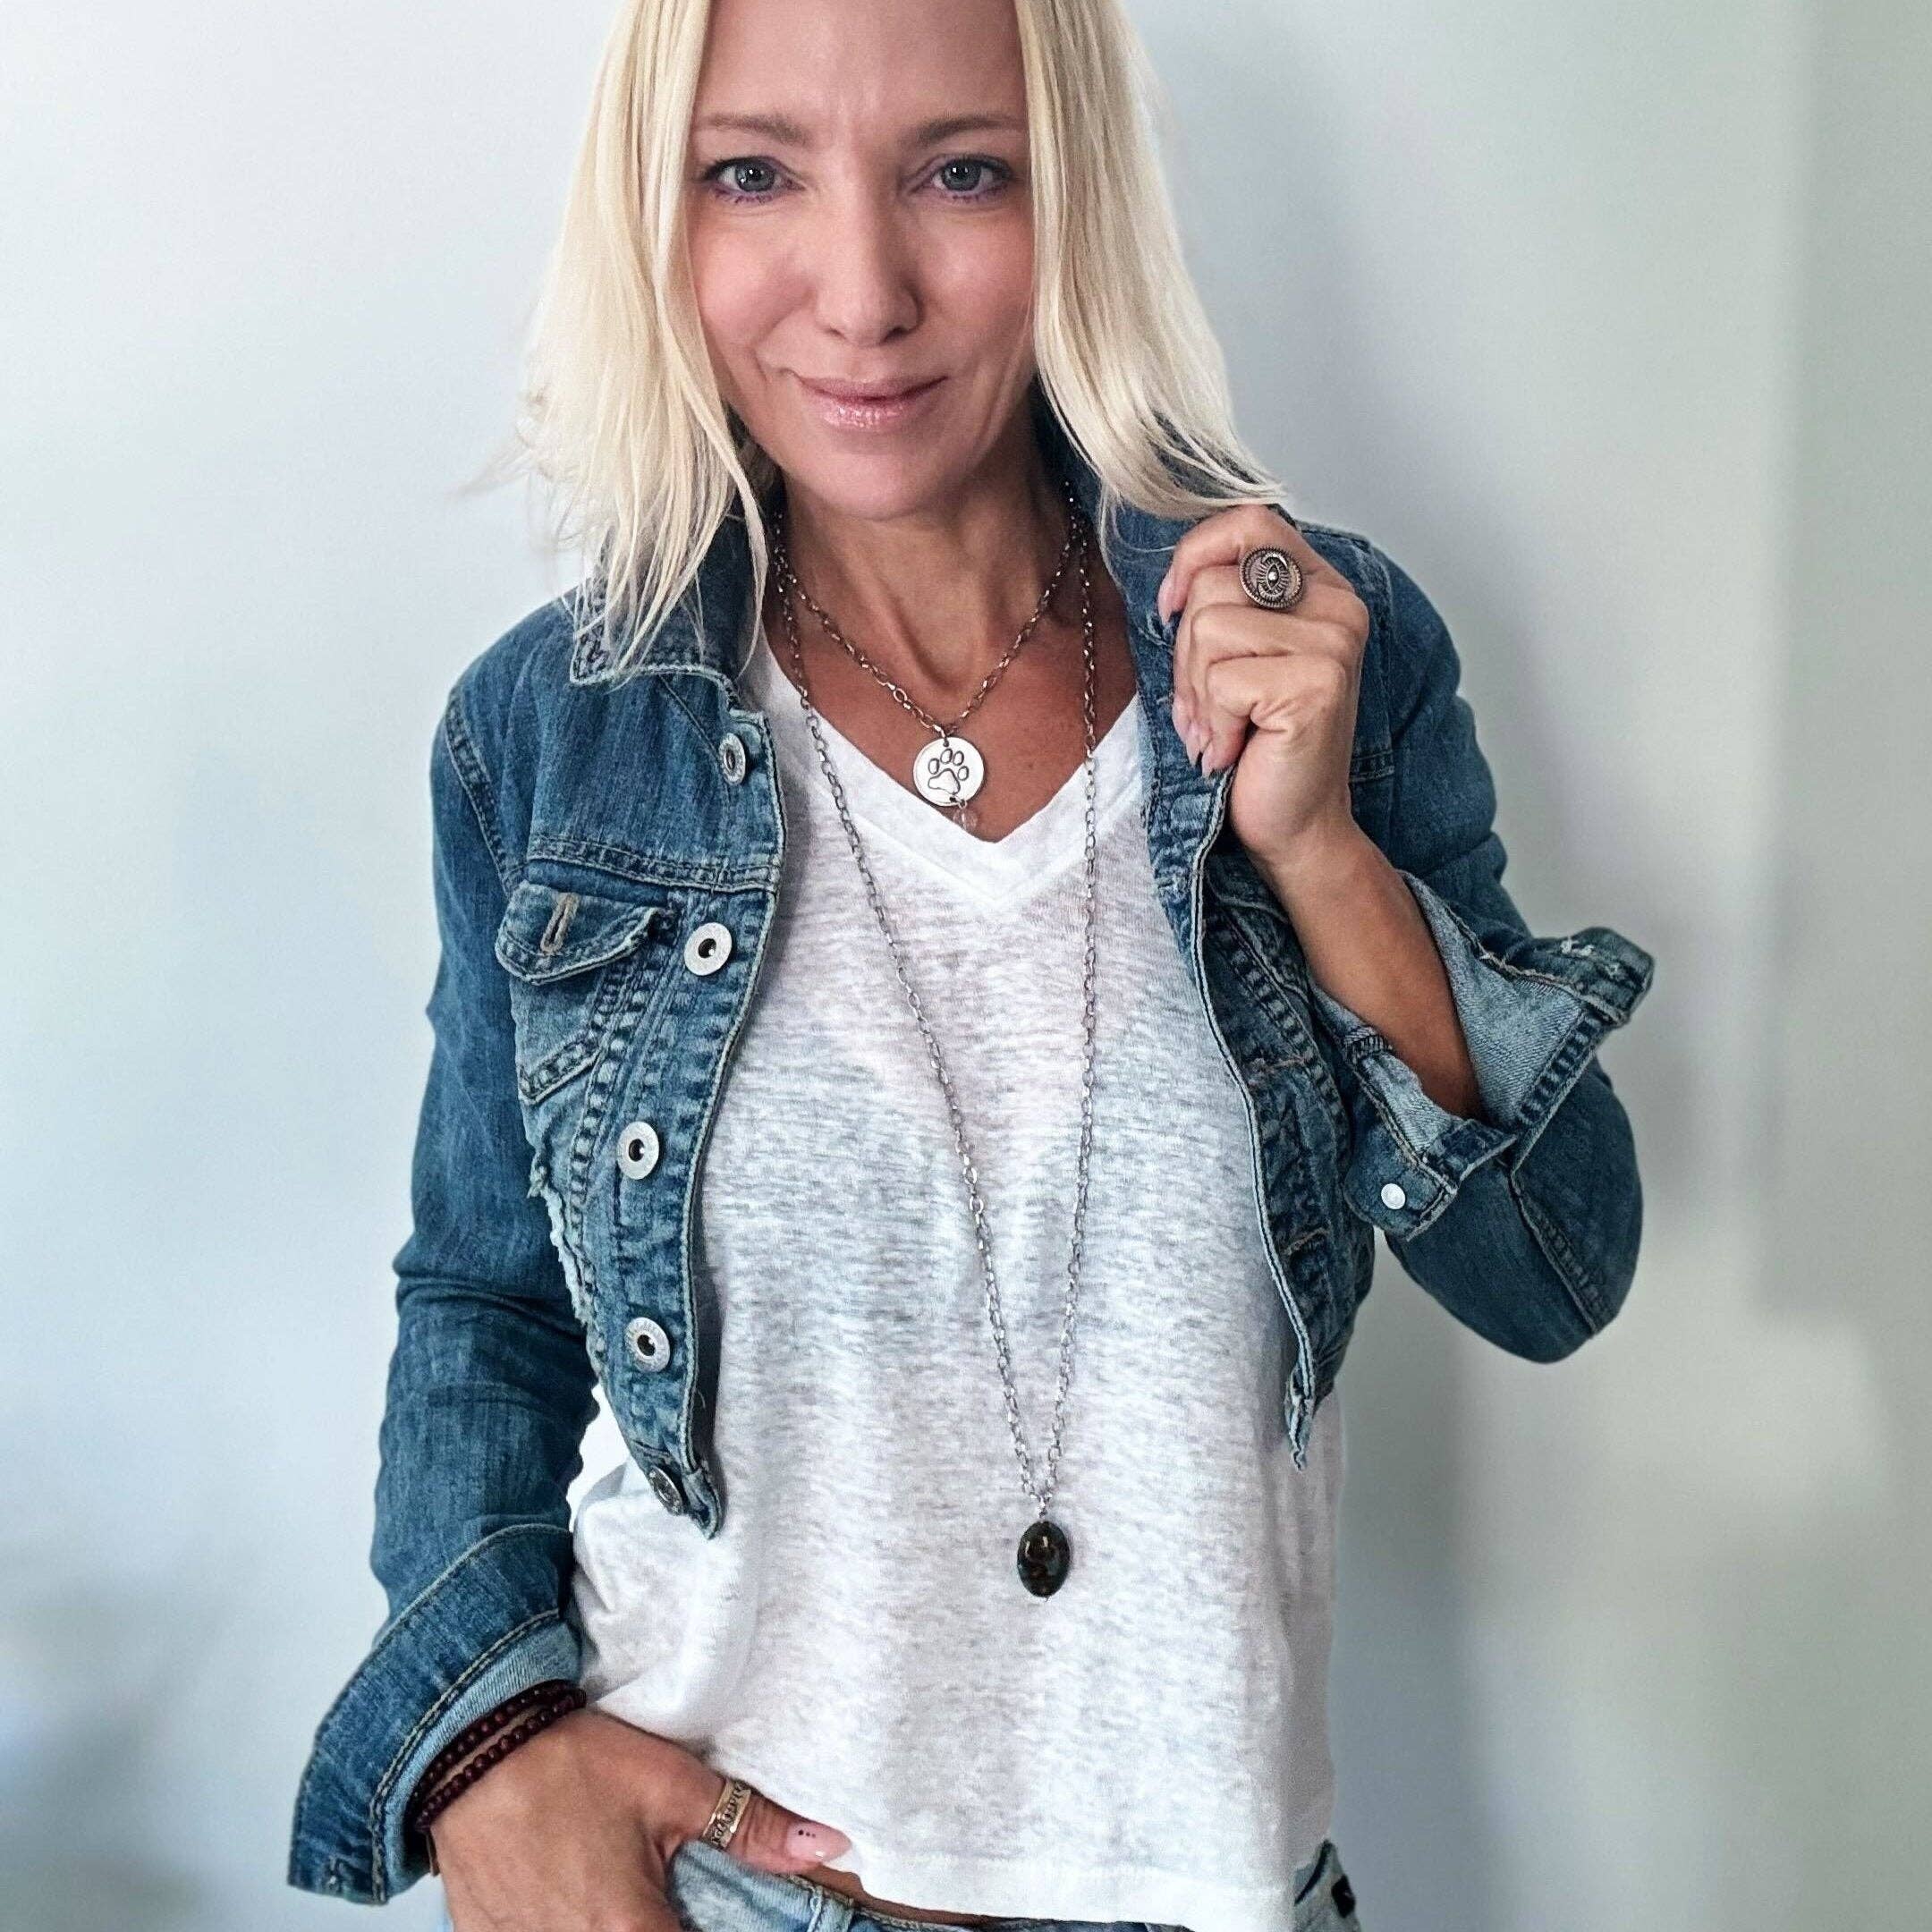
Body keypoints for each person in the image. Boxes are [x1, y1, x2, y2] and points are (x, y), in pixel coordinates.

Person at [286, 1, 1657, 1928]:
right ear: (658, 215)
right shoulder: (554, 736)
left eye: (961, 173)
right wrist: (487, 1759)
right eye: (753, 174)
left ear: (1074, 195)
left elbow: (1553, 1272)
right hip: (714, 1887)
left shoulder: (1318, 653)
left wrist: (1319, 852)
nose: (863, 295)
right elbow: (482, 1302)